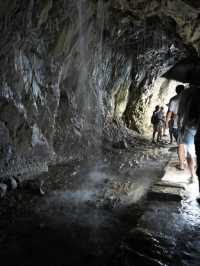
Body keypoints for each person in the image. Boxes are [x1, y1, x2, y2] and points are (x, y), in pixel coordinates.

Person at [165, 84, 185, 169]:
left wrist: (166, 122)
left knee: (180, 145)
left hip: (177, 125)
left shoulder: (173, 99)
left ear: (176, 91)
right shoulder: (189, 98)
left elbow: (169, 112)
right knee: (187, 144)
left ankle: (181, 165)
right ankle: (185, 161)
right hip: (188, 124)